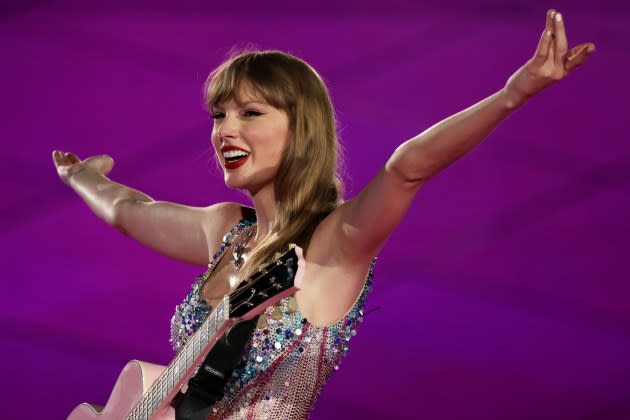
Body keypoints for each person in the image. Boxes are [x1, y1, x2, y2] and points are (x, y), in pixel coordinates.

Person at [52, 9, 594, 419]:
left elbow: (408, 168)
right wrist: (84, 177)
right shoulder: (223, 230)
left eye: (250, 112)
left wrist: (512, 94)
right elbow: (130, 209)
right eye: (219, 114)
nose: (224, 130)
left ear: (299, 129)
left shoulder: (334, 243)